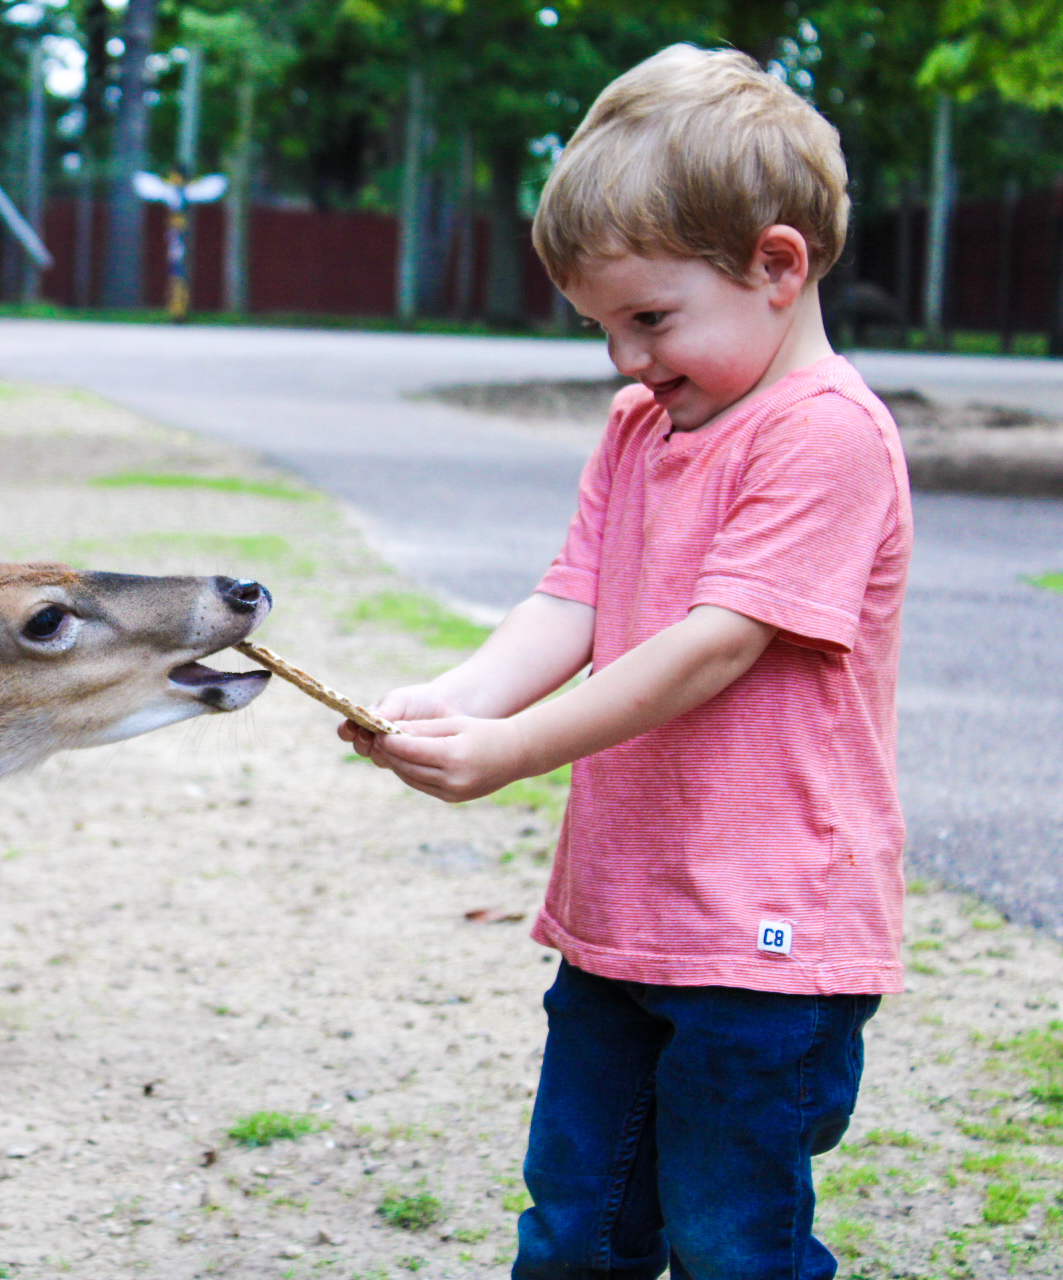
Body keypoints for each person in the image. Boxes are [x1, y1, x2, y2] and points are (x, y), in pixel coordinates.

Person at [341, 44, 911, 1279]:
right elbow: (577, 594)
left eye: (649, 319)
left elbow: (715, 647)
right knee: (575, 1226)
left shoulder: (827, 436)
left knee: (732, 1240)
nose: (628, 360)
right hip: (624, 911)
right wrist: (461, 697)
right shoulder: (643, 422)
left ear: (776, 265)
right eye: (604, 329)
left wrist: (511, 752)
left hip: (765, 933)